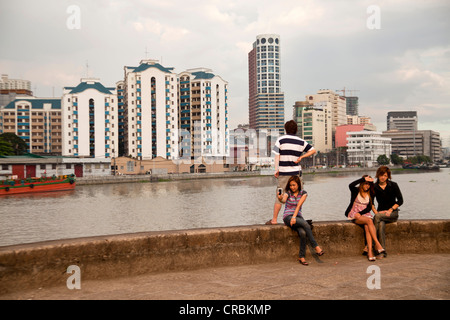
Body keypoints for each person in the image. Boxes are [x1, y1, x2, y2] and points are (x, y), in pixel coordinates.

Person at [266, 120, 316, 225]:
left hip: (283, 173)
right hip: (296, 174)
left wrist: (276, 169)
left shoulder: (280, 140)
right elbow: (313, 150)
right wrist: (301, 156)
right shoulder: (301, 141)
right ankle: (298, 217)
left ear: (285, 129)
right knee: (297, 196)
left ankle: (274, 220)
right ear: (296, 130)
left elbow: (277, 156)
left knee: (279, 195)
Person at [279, 175, 324, 265]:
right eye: (291, 185)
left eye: (294, 185)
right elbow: (284, 200)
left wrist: (294, 217)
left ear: (298, 185)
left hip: (297, 217)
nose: (292, 187)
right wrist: (280, 198)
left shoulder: (304, 193)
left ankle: (301, 256)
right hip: (287, 217)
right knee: (306, 225)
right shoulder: (288, 193)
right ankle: (316, 247)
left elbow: (299, 205)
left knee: (303, 233)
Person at [345, 175, 385, 261]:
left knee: (367, 226)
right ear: (362, 183)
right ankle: (377, 244)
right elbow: (350, 185)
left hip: (364, 214)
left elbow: (369, 207)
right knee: (369, 221)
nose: (367, 186)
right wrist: (363, 179)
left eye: (369, 184)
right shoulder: (355, 190)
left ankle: (370, 252)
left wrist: (361, 213)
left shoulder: (371, 193)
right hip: (354, 214)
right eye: (365, 184)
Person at [373, 165, 403, 257]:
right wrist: (377, 213)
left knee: (377, 218)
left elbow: (400, 200)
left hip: (392, 213)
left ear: (388, 176)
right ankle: (382, 251)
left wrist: (390, 210)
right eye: (381, 175)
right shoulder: (374, 187)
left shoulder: (393, 185)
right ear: (378, 175)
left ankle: (371, 244)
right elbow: (371, 203)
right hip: (380, 214)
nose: (383, 177)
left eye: (385, 176)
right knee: (381, 224)